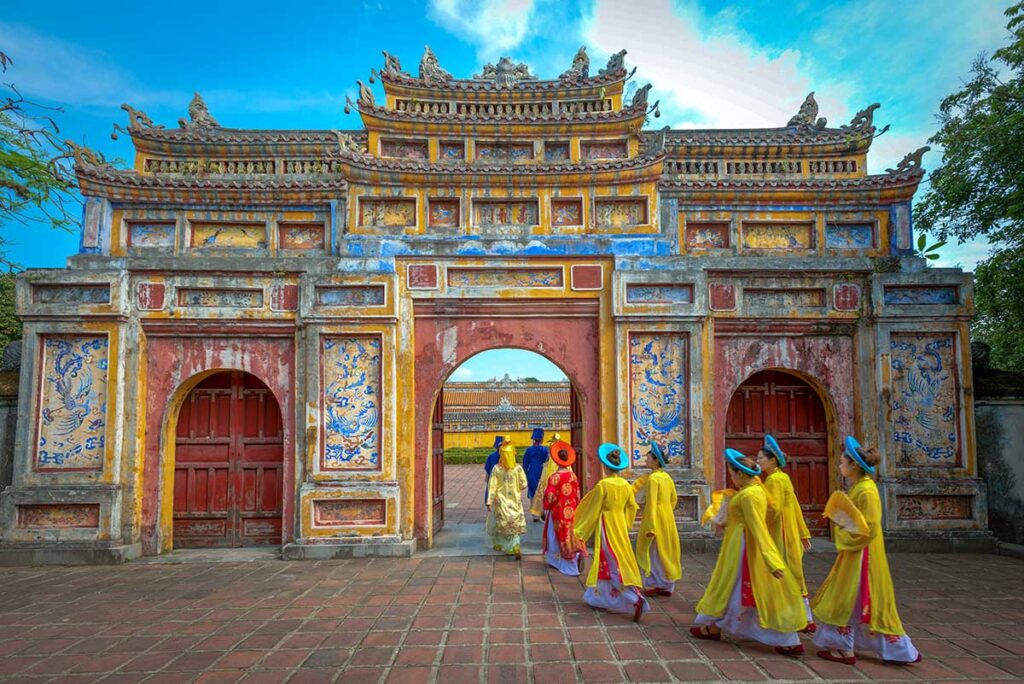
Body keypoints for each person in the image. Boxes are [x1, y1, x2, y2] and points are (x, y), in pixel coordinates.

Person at [811, 437, 921, 666]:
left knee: (854, 595)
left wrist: (842, 534)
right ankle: (850, 646)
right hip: (858, 552)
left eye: (843, 462)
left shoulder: (866, 491)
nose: (839, 465)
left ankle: (847, 648)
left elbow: (869, 529)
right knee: (853, 595)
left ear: (854, 465)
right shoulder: (860, 488)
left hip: (864, 554)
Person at [691, 448, 807, 657]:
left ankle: (783, 637)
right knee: (738, 588)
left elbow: (758, 527)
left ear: (741, 474)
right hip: (740, 544)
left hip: (746, 548)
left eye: (733, 473)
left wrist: (771, 559)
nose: (731, 477)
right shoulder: (756, 490)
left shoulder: (749, 496)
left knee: (736, 587)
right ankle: (716, 625)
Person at [573, 442, 650, 622]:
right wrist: (626, 524)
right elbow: (632, 507)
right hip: (620, 526)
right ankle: (598, 597)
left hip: (607, 526)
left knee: (612, 563)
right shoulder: (625, 485)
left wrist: (581, 531)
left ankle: (635, 599)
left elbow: (593, 510)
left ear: (605, 466)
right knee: (609, 562)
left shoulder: (603, 485)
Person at [756, 434, 814, 630]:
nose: (758, 462)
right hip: (790, 530)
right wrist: (803, 532)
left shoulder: (774, 480)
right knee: (795, 573)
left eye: (760, 458)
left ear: (772, 460)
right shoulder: (783, 477)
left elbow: (774, 509)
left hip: (781, 531)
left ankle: (799, 617)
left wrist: (757, 522)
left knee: (784, 571)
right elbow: (795, 507)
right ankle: (805, 616)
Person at [632, 442, 682, 597]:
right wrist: (666, 511)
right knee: (666, 550)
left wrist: (651, 525)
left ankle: (657, 583)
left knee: (654, 552)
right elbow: (674, 499)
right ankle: (668, 584)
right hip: (667, 516)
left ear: (655, 460)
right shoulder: (667, 477)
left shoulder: (653, 479)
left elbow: (651, 503)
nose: (646, 461)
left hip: (656, 517)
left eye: (648, 458)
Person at [541, 440, 587, 575]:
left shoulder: (554, 477)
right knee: (570, 534)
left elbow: (549, 496)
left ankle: (557, 561)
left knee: (554, 537)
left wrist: (545, 507)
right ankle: (573, 558)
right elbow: (577, 494)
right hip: (572, 510)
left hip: (558, 512)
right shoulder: (573, 476)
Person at [486, 436, 528, 559]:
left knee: (498, 522)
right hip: (514, 501)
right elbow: (524, 484)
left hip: (500, 501)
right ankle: (515, 545)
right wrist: (516, 489)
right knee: (513, 522)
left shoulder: (496, 469)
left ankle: (500, 544)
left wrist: (489, 501)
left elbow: (492, 486)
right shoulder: (518, 468)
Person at [529, 432, 562, 520]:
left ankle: (541, 511)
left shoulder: (549, 447)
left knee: (542, 490)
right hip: (558, 469)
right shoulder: (554, 448)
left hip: (545, 470)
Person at [523, 428, 550, 521]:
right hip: (543, 472)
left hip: (532, 473)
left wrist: (526, 474)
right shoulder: (545, 450)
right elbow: (548, 461)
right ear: (542, 439)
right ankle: (542, 511)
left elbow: (525, 464)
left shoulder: (529, 450)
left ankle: (535, 515)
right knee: (542, 491)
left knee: (533, 492)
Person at [483, 435, 503, 506]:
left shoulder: (491, 456)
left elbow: (487, 469)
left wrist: (487, 478)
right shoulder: (506, 456)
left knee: (490, 490)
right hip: (502, 478)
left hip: (492, 477)